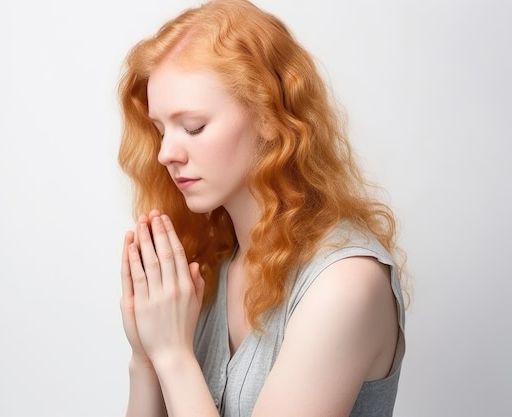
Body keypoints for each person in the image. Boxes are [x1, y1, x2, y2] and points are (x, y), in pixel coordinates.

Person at [117, 0, 408, 416]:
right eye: (159, 130)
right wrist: (145, 357)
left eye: (193, 127)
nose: (165, 153)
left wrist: (172, 355)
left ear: (271, 116)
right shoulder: (207, 270)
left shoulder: (345, 284)